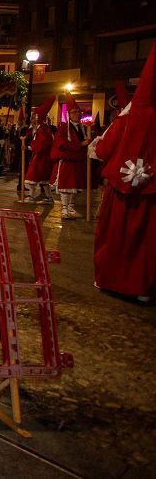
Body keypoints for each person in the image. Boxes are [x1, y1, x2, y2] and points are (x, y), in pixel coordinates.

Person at [92, 42, 156, 302]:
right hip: (150, 194)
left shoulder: (126, 121)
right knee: (145, 240)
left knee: (117, 235)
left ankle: (112, 278)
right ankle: (143, 286)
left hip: (121, 190)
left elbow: (105, 150)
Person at [51, 96, 89, 219]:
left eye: (79, 112)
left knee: (76, 186)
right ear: (69, 114)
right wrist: (80, 144)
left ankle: (71, 208)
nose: (78, 114)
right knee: (66, 186)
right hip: (67, 160)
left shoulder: (82, 128)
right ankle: (64, 209)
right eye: (75, 112)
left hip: (78, 161)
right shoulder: (63, 128)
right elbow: (60, 143)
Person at [24, 97, 56, 203]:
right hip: (40, 156)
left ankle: (31, 196)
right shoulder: (38, 128)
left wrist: (28, 147)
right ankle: (48, 197)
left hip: (42, 156)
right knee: (43, 178)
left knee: (33, 175)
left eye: (33, 117)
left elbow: (42, 143)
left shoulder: (42, 128)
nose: (31, 119)